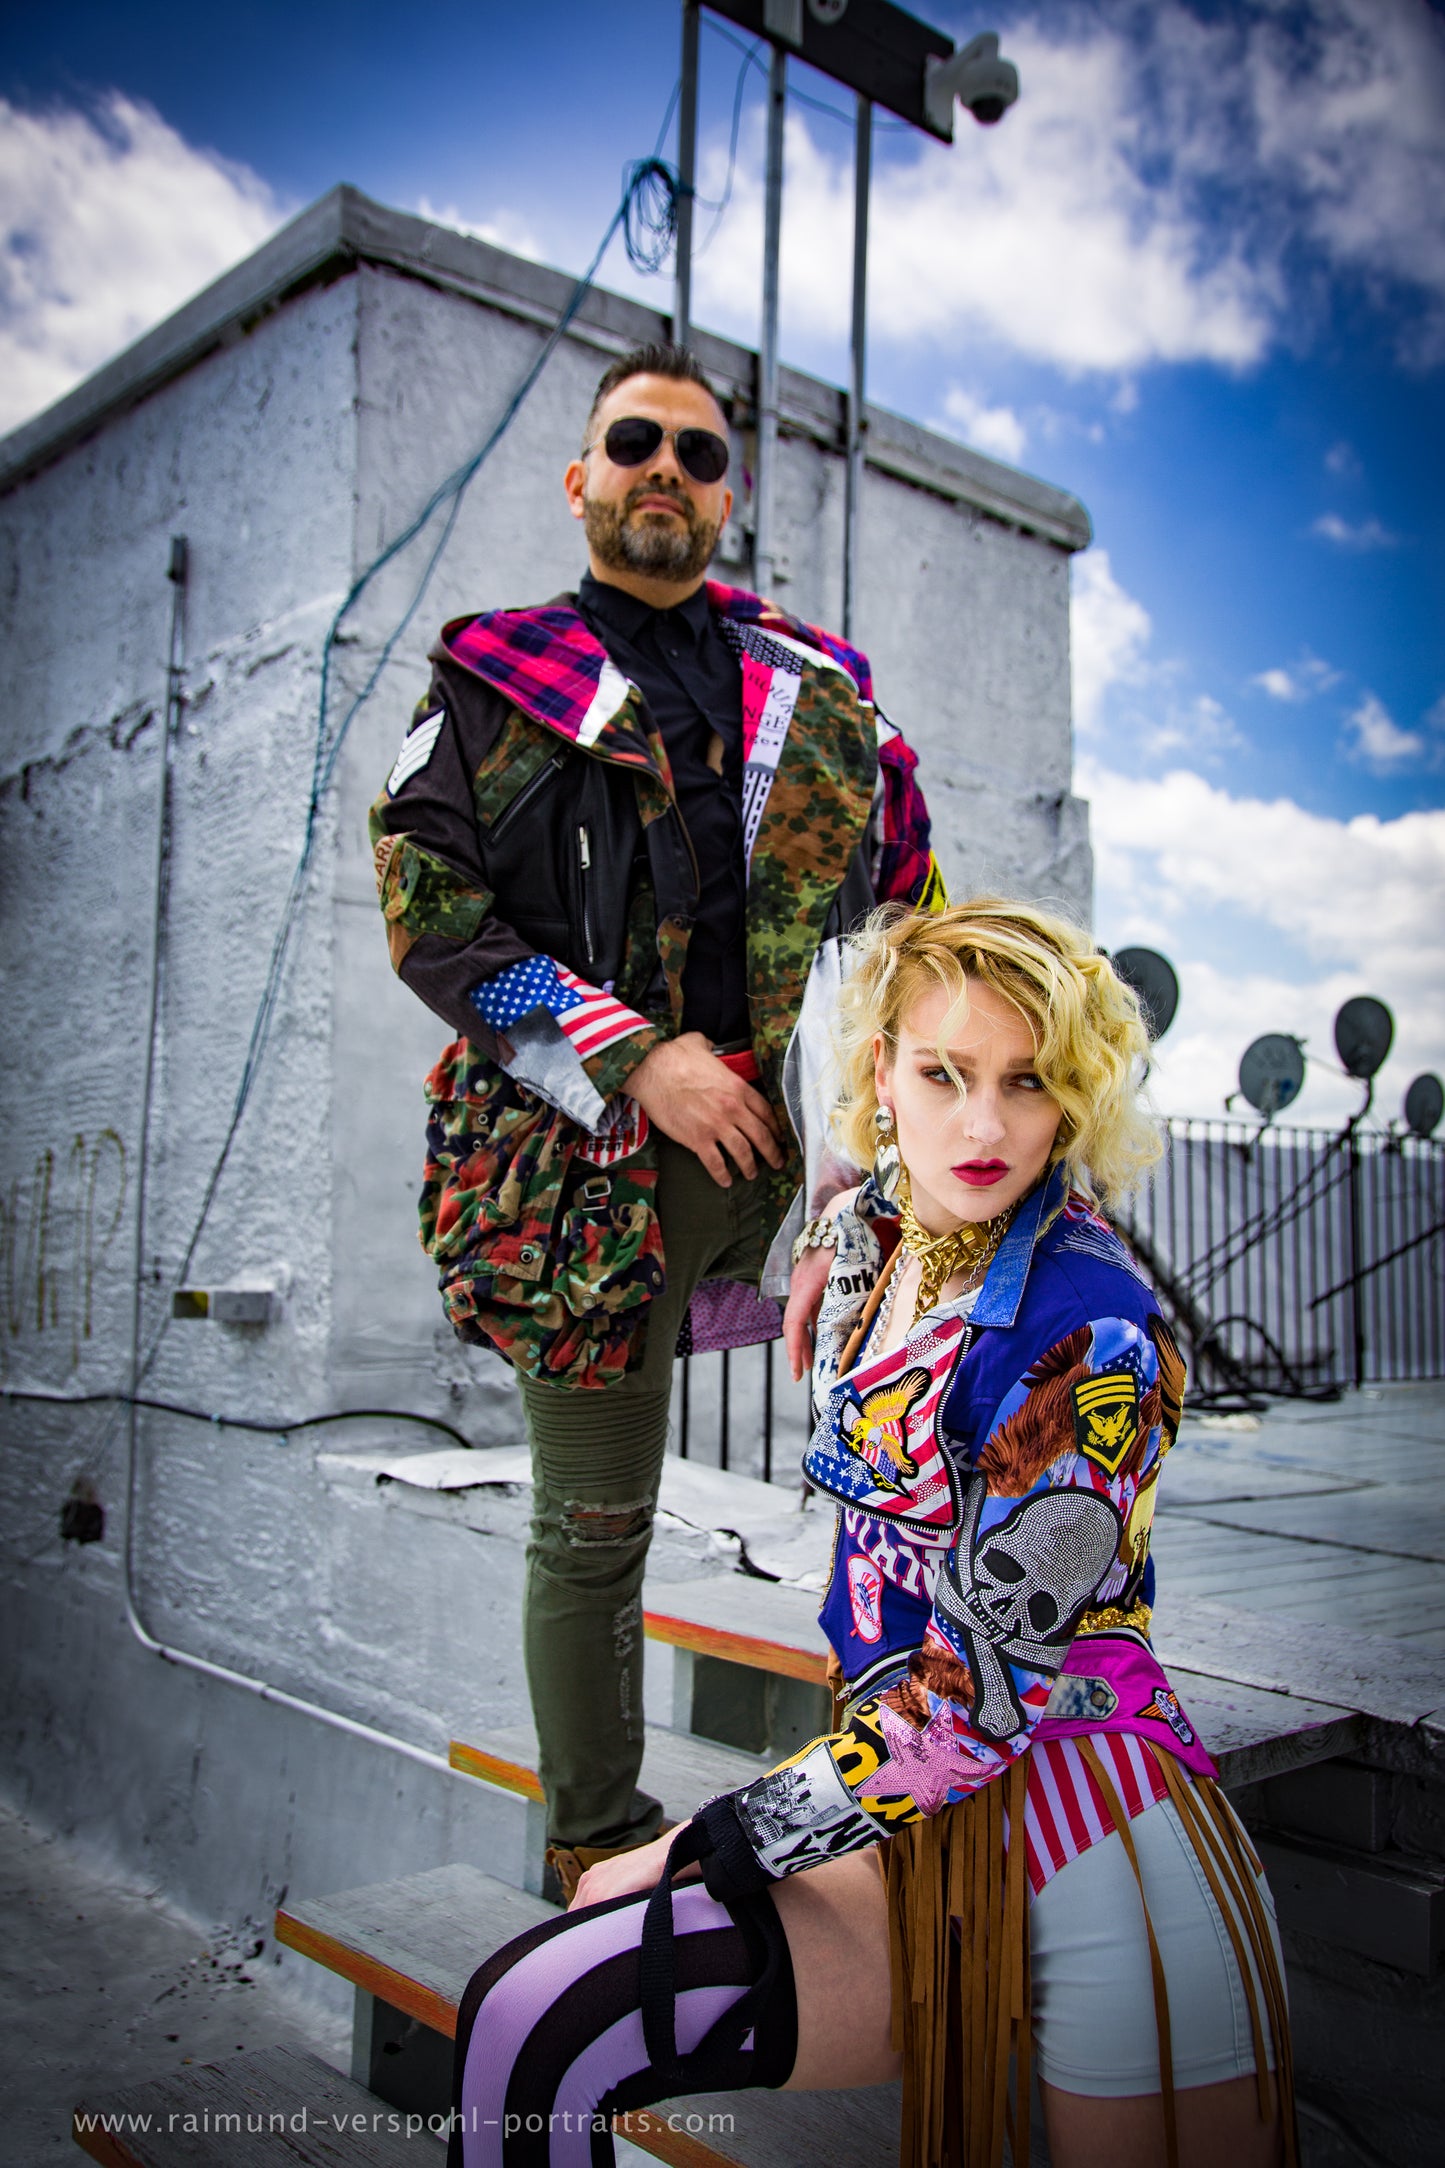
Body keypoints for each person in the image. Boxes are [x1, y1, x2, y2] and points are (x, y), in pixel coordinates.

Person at [446, 900, 1297, 2168]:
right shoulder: (886, 1223)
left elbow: (971, 1710)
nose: (981, 1126)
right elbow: (854, 1197)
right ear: (882, 1073)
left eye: (1027, 1081)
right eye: (943, 1072)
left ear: (1072, 1098)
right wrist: (821, 1230)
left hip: (1095, 1848)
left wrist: (700, 1841)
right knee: (532, 2020)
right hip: (901, 1823)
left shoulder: (1091, 1333)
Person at [369, 341, 942, 1899]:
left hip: (814, 1158)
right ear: (582, 479)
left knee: (906, 1467)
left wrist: (875, 1123)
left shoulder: (823, 699)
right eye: (635, 443)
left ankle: (898, 1806)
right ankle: (599, 1854)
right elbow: (430, 920)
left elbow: (909, 912)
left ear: (725, 497)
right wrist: (633, 1059)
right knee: (595, 1520)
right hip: (586, 1172)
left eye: (697, 454)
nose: (665, 472)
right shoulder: (492, 686)